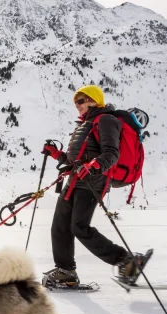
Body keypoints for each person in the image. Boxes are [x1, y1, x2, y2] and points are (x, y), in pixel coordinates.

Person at [40, 85, 149, 287]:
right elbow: (77, 159)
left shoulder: (107, 120)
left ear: (94, 100)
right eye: (76, 102)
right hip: (75, 180)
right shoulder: (86, 124)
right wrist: (55, 153)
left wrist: (94, 165)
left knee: (79, 227)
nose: (77, 105)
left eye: (81, 101)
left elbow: (111, 154)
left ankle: (127, 261)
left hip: (92, 183)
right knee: (60, 227)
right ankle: (66, 272)